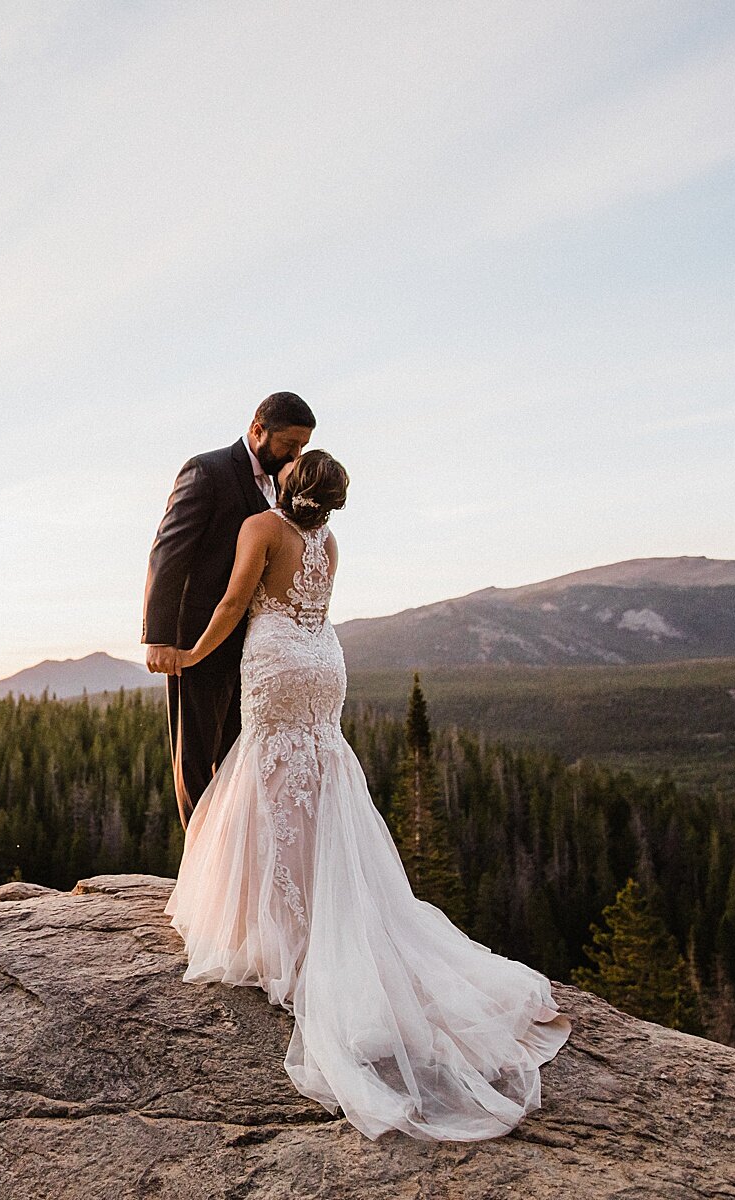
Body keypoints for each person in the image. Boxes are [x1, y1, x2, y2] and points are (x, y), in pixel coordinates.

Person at [156, 450, 572, 1142]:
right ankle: (321, 912)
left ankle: (280, 931)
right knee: (318, 776)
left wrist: (192, 654)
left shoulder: (261, 527)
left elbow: (236, 601)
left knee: (269, 777)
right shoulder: (329, 542)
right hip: (323, 662)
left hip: (279, 659)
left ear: (290, 485)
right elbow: (310, 604)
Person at [142, 392, 314, 830]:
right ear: (258, 430)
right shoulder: (207, 470)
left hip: (253, 646)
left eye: (303, 447)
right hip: (198, 637)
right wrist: (160, 636)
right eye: (290, 445)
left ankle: (233, 866)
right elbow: (168, 552)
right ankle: (201, 872)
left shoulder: (279, 485)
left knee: (240, 755)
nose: (296, 455)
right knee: (196, 762)